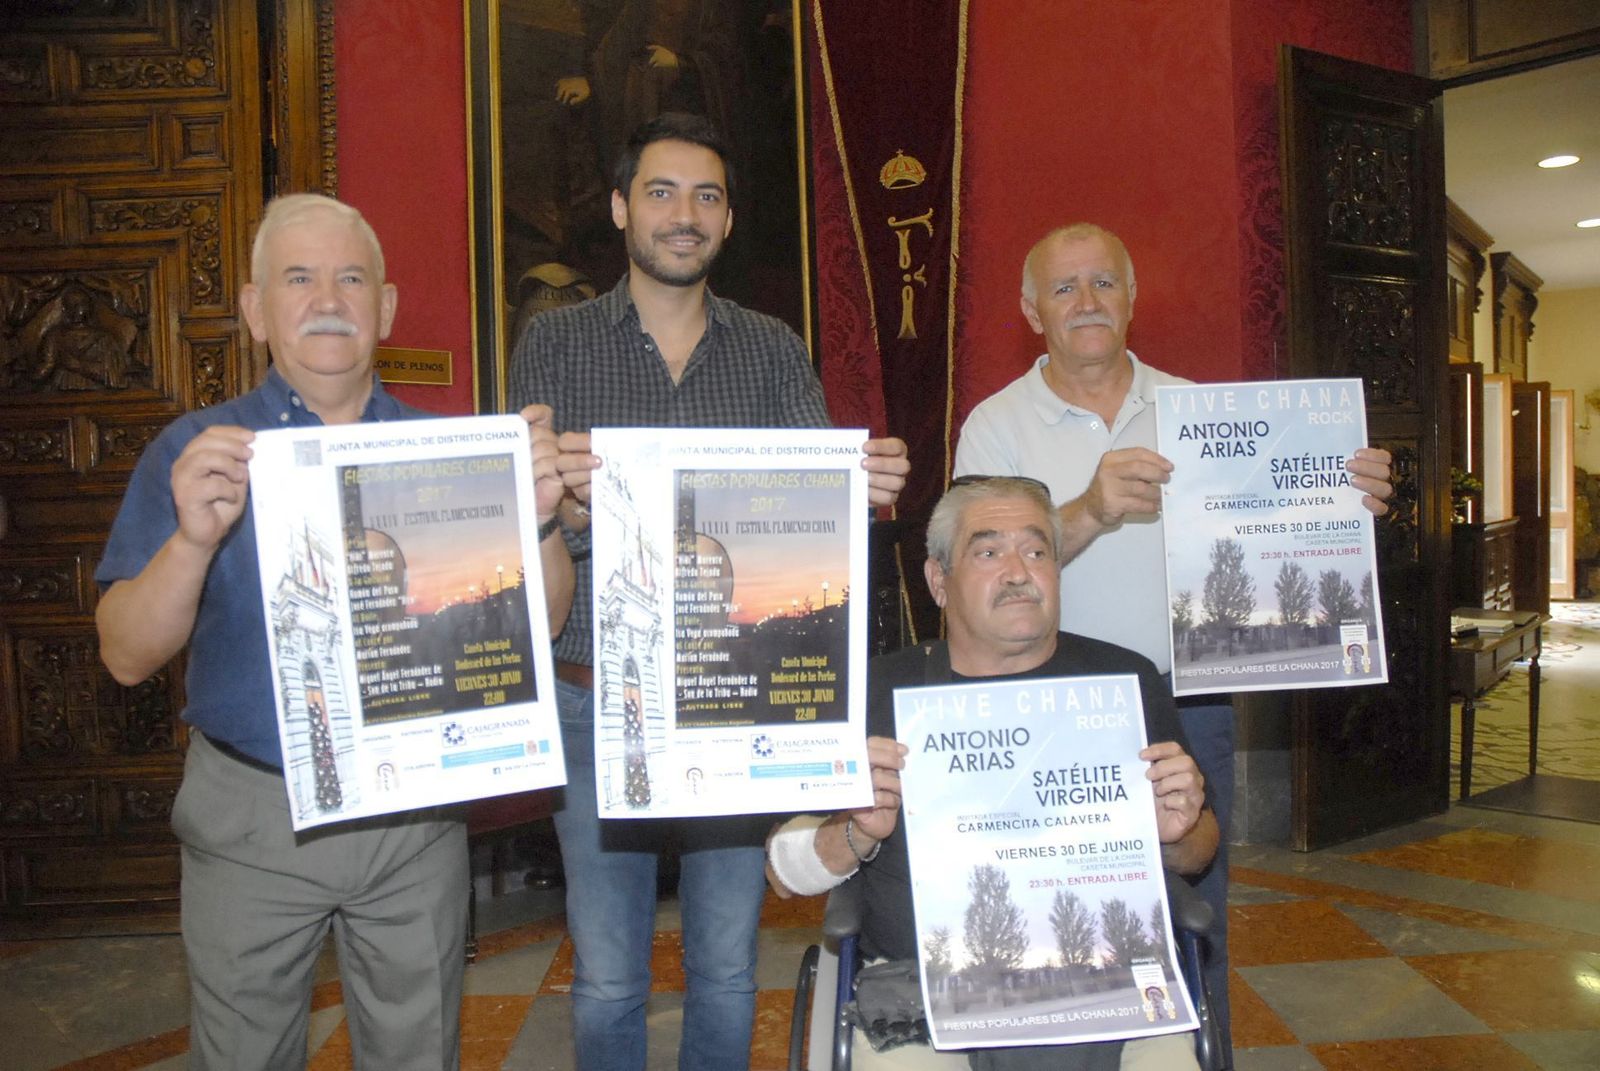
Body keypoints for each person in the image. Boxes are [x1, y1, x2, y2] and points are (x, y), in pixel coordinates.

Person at [94, 193, 575, 1071]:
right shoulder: (195, 450)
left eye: (352, 278)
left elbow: (539, 623)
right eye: (299, 277)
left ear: (386, 308)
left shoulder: (454, 453)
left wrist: (539, 519)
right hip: (253, 819)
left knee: (416, 1051)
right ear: (254, 309)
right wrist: (193, 541)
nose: (328, 298)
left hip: (413, 821)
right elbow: (126, 654)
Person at [507, 111, 911, 1071]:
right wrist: (557, 503)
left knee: (728, 965)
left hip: (740, 703)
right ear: (619, 209)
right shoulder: (556, 343)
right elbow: (525, 534)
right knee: (607, 974)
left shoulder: (773, 349)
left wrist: (862, 492)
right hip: (593, 697)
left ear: (728, 221)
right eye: (660, 192)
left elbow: (815, 526)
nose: (683, 215)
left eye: (707, 196)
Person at [952, 222, 1396, 1059]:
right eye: (1064, 287)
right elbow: (977, 576)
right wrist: (1089, 506)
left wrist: (1343, 496)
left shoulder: (1199, 412)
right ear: (1029, 308)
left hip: (1187, 706)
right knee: (1059, 922)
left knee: (1195, 910)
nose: (1087, 302)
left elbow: (1277, 530)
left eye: (1104, 283)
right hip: (1046, 709)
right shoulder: (995, 427)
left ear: (1132, 296)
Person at [766, 477, 1219, 1071]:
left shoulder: (1122, 682)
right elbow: (781, 869)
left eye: (1036, 552)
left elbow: (1199, 851)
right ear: (937, 582)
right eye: (987, 552)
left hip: (1103, 982)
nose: (1017, 571)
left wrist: (1173, 834)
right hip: (921, 994)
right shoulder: (875, 691)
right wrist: (855, 832)